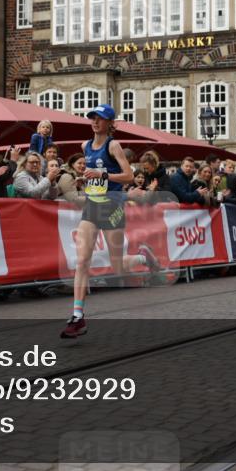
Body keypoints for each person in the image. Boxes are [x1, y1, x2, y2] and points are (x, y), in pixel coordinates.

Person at [62, 104, 135, 339]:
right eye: (93, 117)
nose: (95, 121)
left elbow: (129, 176)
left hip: (112, 206)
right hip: (93, 205)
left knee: (117, 266)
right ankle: (77, 316)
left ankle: (143, 256)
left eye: (100, 118)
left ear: (110, 123)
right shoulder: (85, 146)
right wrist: (84, 181)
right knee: (82, 260)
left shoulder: (113, 145)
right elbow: (93, 177)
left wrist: (103, 175)